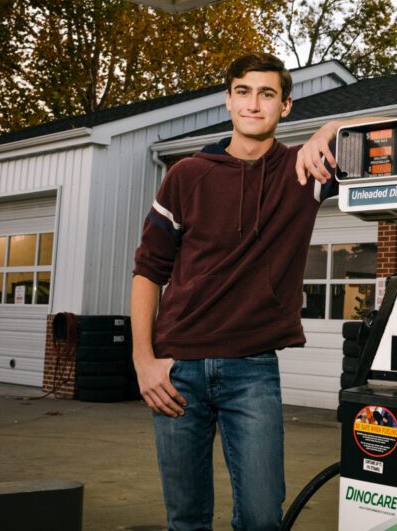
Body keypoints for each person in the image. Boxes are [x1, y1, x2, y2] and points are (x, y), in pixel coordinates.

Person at [131, 52, 373, 531]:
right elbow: (148, 270)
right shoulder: (186, 175)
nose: (253, 104)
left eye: (267, 94)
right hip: (178, 366)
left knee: (262, 518)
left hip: (252, 369)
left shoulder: (306, 171)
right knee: (186, 519)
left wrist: (332, 131)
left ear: (285, 106)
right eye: (243, 92)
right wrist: (143, 360)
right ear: (228, 100)